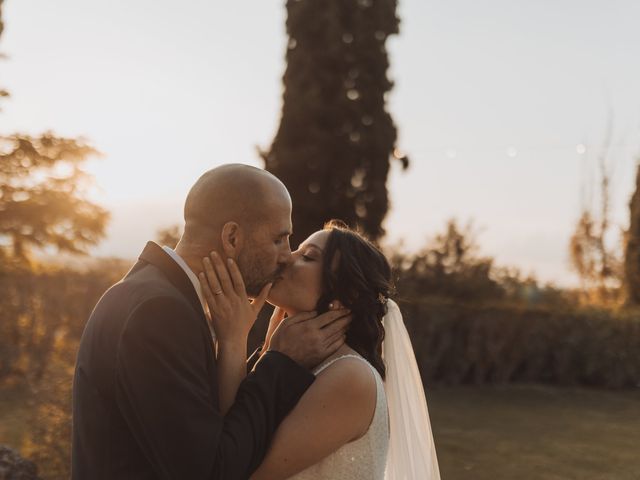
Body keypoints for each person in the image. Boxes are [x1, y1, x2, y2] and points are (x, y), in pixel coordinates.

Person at [71, 164, 351, 480]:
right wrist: (280, 362)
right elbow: (211, 471)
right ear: (232, 237)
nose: (287, 255)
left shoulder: (158, 296)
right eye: (278, 239)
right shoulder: (160, 312)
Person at [201, 220, 441, 480]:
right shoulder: (297, 359)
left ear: (343, 296)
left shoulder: (351, 377)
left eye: (307, 256)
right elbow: (227, 434)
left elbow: (230, 471)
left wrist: (241, 342)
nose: (285, 257)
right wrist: (248, 345)